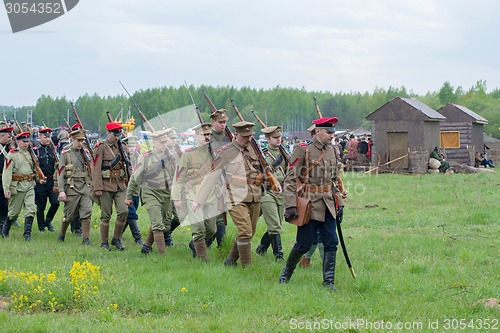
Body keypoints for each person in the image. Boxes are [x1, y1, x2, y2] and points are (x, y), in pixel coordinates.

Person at [193, 121, 280, 267]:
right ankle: (247, 267)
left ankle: (231, 261)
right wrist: (198, 200)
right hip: (235, 196)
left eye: (250, 136)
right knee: (245, 231)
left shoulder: (254, 149)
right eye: (245, 136)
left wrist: (273, 181)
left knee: (249, 233)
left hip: (255, 195)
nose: (248, 139)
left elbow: (264, 169)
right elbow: (211, 176)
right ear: (236, 135)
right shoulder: (226, 152)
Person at [279, 117, 342, 291]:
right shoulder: (303, 150)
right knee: (304, 244)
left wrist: (340, 203)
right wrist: (290, 205)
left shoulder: (333, 151)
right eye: (328, 132)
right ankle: (286, 273)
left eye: (333, 133)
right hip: (309, 205)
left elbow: (335, 180)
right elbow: (290, 180)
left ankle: (328, 282)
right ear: (318, 131)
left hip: (328, 204)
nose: (331, 136)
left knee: (331, 243)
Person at [125, 128, 176, 255]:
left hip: (166, 193)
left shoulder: (171, 157)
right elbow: (135, 178)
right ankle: (162, 254)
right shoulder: (145, 157)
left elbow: (177, 176)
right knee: (158, 223)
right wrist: (128, 195)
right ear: (154, 143)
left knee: (163, 223)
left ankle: (147, 246)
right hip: (150, 192)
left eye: (165, 143)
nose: (164, 146)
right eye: (161, 143)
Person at [172, 123, 217, 262]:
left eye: (209, 135)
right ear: (197, 136)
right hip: (192, 195)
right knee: (198, 229)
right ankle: (202, 259)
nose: (207, 137)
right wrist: (176, 198)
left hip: (210, 196)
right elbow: (179, 177)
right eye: (204, 135)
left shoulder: (214, 154)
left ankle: (194, 245)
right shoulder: (188, 154)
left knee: (211, 230)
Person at [91, 122, 129, 251]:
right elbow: (95, 168)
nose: (117, 137)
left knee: (124, 211)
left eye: (119, 135)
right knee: (106, 215)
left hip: (120, 184)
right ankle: (104, 243)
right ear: (108, 133)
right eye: (115, 134)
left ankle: (116, 239)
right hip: (106, 185)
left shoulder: (121, 147)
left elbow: (127, 165)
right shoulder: (100, 147)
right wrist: (97, 187)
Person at [2, 132, 44, 240]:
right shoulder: (12, 154)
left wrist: (40, 179)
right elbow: (7, 173)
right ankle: (5, 231)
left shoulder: (31, 154)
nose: (26, 144)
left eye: (27, 142)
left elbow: (35, 169)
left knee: (31, 209)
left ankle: (27, 235)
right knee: (13, 213)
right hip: (17, 186)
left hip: (29, 185)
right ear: (18, 142)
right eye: (23, 142)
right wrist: (6, 188)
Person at [56, 129, 93, 245]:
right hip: (72, 189)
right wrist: (61, 190)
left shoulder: (86, 153)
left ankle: (85, 239)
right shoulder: (65, 153)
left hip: (85, 187)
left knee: (87, 212)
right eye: (78, 140)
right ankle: (61, 235)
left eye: (82, 140)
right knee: (69, 216)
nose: (80, 143)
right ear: (72, 139)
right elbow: (60, 172)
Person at [255, 125, 286, 261]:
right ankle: (279, 255)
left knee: (277, 223)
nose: (278, 140)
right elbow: (259, 174)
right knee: (274, 225)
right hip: (267, 192)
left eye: (279, 137)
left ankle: (262, 247)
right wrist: (272, 167)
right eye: (275, 137)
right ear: (268, 138)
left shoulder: (284, 153)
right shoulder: (262, 154)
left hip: (281, 193)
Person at [209, 108, 231, 247]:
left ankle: (221, 245)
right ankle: (205, 241)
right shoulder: (207, 137)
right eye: (220, 122)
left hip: (226, 178)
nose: (223, 125)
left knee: (222, 212)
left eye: (224, 122)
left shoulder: (229, 137)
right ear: (213, 121)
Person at [34, 127, 60, 232]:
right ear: (40, 137)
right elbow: (34, 166)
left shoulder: (53, 150)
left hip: (52, 180)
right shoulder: (36, 151)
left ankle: (48, 221)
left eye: (49, 137)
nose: (48, 139)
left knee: (55, 203)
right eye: (45, 137)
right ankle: (41, 227)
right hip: (41, 181)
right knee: (41, 206)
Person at [120, 135, 143, 245]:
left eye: (134, 146)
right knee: (131, 213)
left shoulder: (139, 157)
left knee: (128, 215)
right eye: (129, 146)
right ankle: (138, 238)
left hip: (136, 190)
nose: (132, 148)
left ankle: (118, 235)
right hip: (124, 189)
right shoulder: (121, 157)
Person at [0, 126, 14, 234]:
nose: (10, 139)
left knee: (5, 205)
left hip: (6, 181)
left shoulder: (10, 149)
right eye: (9, 136)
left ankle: (2, 226)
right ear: (2, 135)